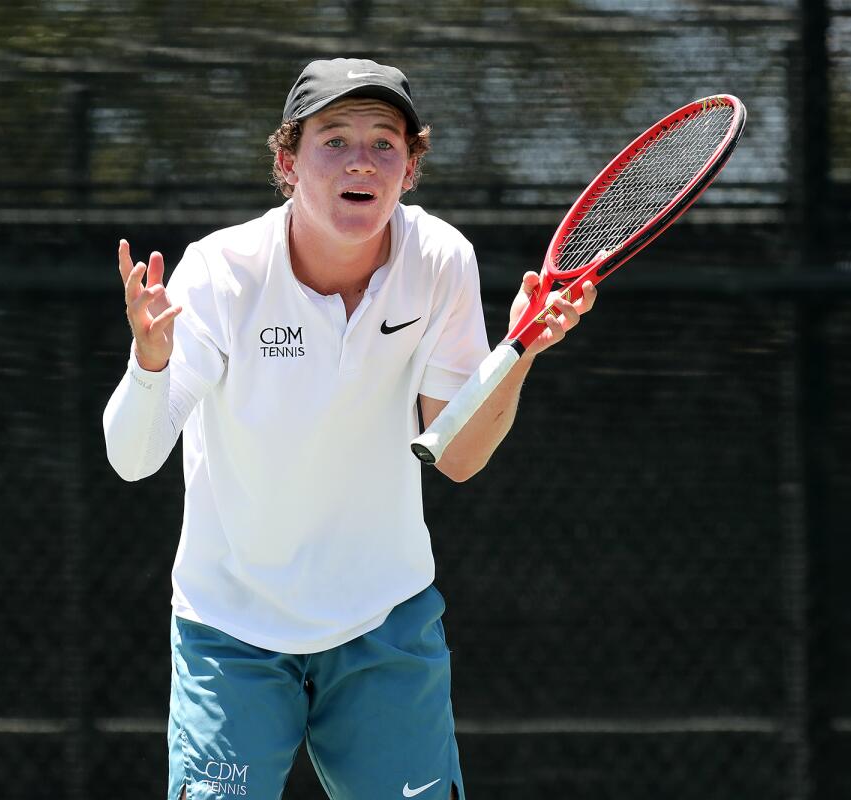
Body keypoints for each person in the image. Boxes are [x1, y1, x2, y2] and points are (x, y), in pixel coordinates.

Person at [103, 57, 595, 800]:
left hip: (384, 624)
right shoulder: (220, 272)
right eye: (333, 140)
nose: (360, 161)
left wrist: (517, 353)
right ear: (287, 162)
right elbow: (133, 458)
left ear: (409, 168)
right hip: (229, 632)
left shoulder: (440, 261)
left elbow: (457, 456)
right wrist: (148, 363)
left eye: (384, 143)